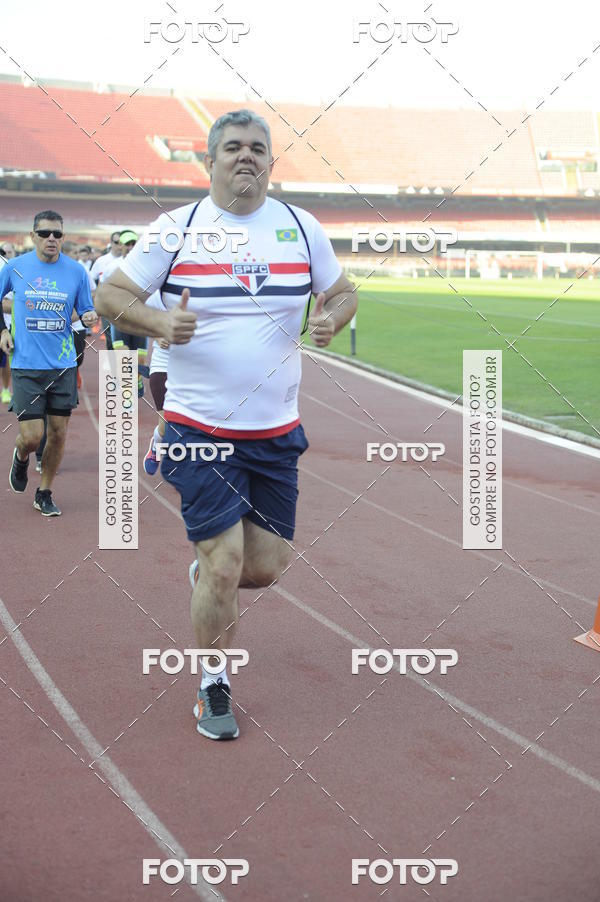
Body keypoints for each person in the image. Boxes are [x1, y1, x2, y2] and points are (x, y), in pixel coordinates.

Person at [96, 109, 357, 739]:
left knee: (263, 568)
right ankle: (213, 684)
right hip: (197, 426)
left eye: (258, 149)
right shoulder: (175, 229)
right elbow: (112, 297)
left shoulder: (301, 227)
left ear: (271, 161)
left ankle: (209, 575)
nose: (247, 157)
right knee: (223, 564)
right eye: (233, 148)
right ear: (209, 161)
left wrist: (332, 319)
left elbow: (344, 292)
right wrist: (158, 323)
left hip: (275, 430)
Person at [0, 211, 97, 516]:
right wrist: (2, 330)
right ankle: (21, 453)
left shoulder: (76, 272)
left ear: (63, 238)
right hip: (26, 364)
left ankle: (44, 492)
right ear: (33, 236)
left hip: (63, 364)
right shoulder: (15, 267)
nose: (51, 239)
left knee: (57, 433)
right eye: (44, 234)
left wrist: (90, 316)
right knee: (32, 436)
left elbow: (86, 310)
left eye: (57, 234)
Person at [109, 230, 148, 397]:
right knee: (123, 355)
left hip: (140, 321)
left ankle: (136, 379)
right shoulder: (111, 266)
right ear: (120, 246)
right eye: (127, 244)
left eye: (134, 244)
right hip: (119, 319)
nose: (131, 248)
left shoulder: (147, 267)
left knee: (139, 361)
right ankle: (126, 390)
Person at [90, 230, 123, 351]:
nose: (120, 245)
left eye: (122, 242)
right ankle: (110, 368)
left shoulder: (131, 261)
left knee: (123, 340)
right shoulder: (101, 261)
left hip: (125, 306)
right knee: (110, 338)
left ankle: (125, 369)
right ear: (111, 243)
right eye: (116, 242)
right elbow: (91, 280)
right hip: (106, 306)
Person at [0, 242, 16, 403]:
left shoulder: (10, 269)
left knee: (6, 360)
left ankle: (5, 389)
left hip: (6, 324)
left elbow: (12, 303)